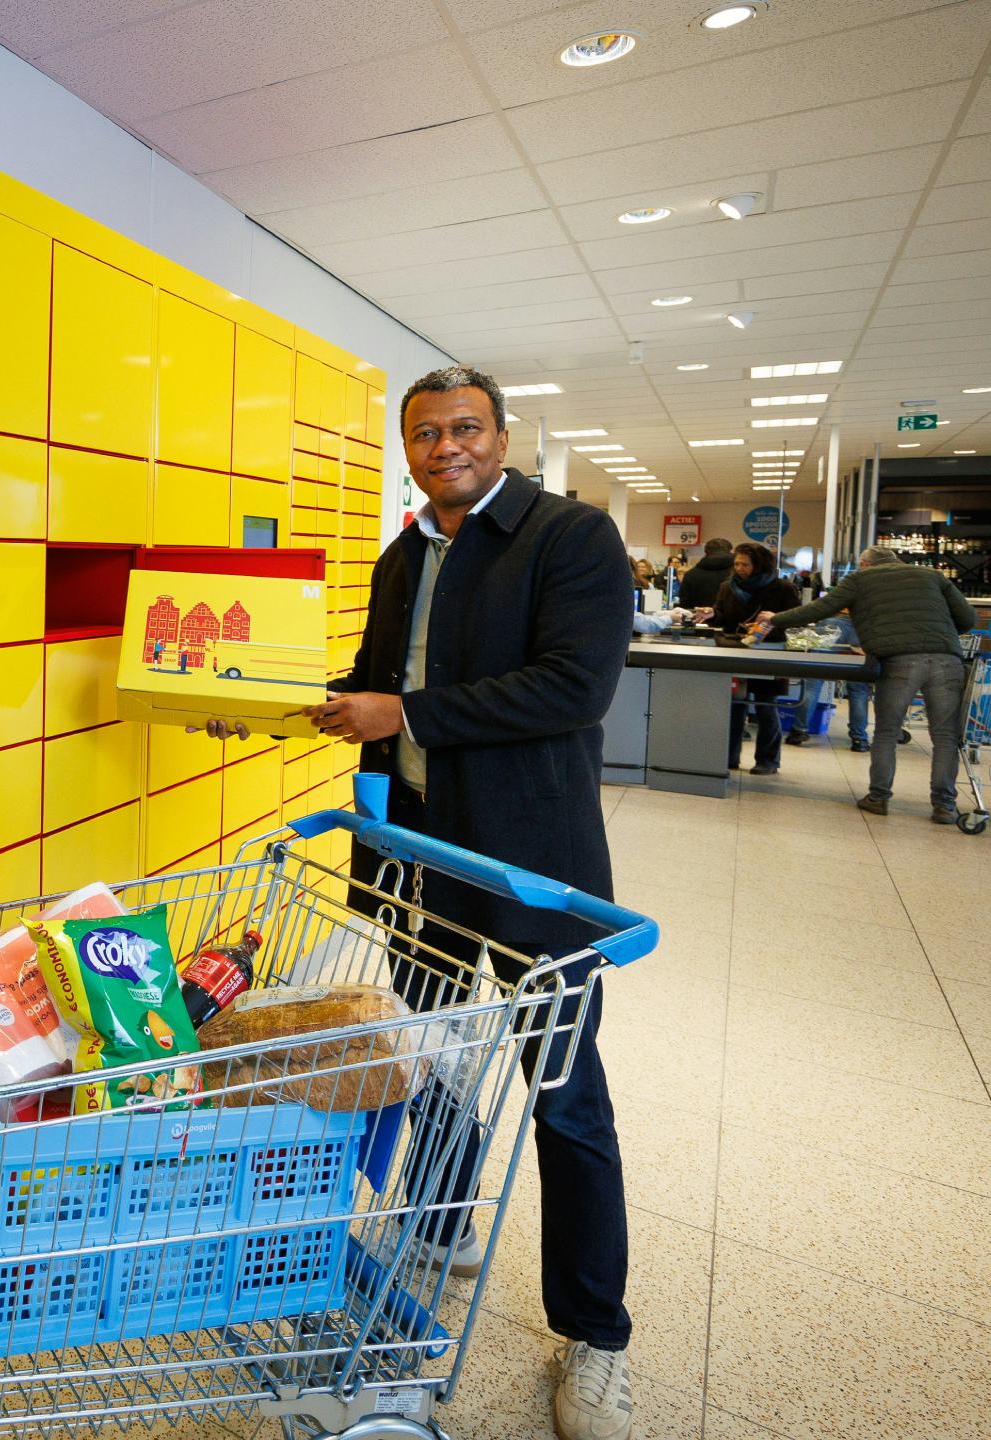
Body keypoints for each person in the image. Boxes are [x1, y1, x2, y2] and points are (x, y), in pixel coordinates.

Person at [213, 365, 636, 1440]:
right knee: (429, 1053)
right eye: (424, 432)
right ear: (405, 448)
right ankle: (439, 1219)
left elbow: (570, 688)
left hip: (532, 867)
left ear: (500, 435)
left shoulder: (567, 539)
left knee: (565, 1092)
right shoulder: (405, 555)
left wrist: (399, 706)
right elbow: (363, 686)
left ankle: (595, 1337)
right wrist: (252, 704)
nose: (445, 445)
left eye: (465, 427)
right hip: (424, 859)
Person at [750, 543, 977, 822]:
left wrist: (776, 618)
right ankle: (945, 805)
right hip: (946, 660)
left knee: (886, 732)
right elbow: (968, 619)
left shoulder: (860, 579)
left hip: (899, 661)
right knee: (945, 736)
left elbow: (820, 610)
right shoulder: (932, 576)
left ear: (866, 564)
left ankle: (879, 797)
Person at [705, 542, 799, 776]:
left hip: (770, 654)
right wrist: (711, 614)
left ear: (758, 565)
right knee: (735, 706)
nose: (739, 568)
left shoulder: (783, 589)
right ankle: (729, 757)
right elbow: (722, 616)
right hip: (737, 652)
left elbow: (796, 620)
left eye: (744, 564)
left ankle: (768, 760)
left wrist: (776, 619)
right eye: (736, 563)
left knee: (767, 707)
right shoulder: (728, 587)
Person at [783, 612, 872, 753]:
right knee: (858, 689)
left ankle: (798, 732)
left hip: (833, 622)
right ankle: (859, 739)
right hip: (863, 624)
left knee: (813, 683)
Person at [676, 536, 733, 609]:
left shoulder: (690, 574)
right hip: (734, 620)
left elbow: (684, 604)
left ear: (706, 553)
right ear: (730, 552)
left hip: (698, 618)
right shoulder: (738, 573)